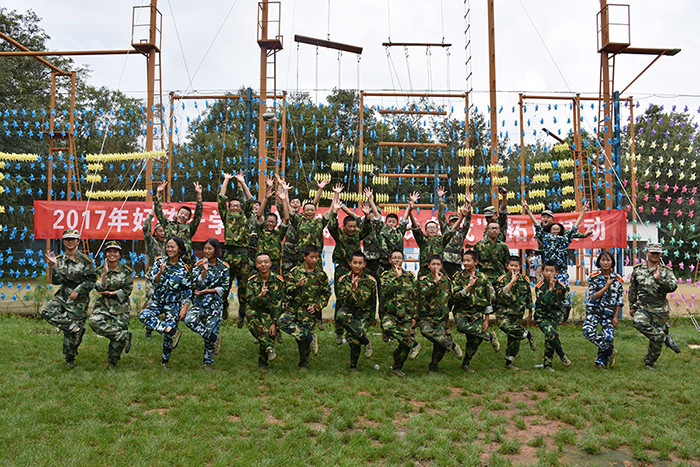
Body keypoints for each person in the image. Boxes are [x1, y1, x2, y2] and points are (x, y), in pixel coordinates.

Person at [524, 200, 590, 322]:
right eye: (553, 229)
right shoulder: (545, 237)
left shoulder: (565, 239)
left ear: (561, 231)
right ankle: (546, 316)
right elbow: (536, 225)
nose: (555, 231)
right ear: (549, 230)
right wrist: (528, 211)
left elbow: (575, 227)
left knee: (564, 296)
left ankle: (563, 315)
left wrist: (583, 212)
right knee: (546, 295)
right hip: (548, 271)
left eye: (557, 229)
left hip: (561, 272)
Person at [40, 229, 96, 368]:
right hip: (63, 295)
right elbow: (56, 281)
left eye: (73, 239)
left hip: (78, 300)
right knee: (45, 310)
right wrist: (54, 266)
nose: (70, 241)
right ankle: (73, 327)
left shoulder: (86, 261)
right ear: (63, 242)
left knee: (72, 338)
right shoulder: (59, 259)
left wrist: (78, 290)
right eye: (67, 239)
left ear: (78, 241)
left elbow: (91, 281)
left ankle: (70, 359)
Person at [139, 236, 192, 369]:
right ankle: (170, 330)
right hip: (158, 302)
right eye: (168, 247)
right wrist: (160, 272)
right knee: (143, 315)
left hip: (173, 304)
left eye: (172, 247)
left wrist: (185, 307)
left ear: (179, 249)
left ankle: (165, 362)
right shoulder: (159, 262)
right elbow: (153, 280)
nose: (169, 249)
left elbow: (187, 290)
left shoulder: (183, 268)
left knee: (169, 337)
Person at [329, 185, 372, 343]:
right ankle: (339, 331)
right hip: (342, 270)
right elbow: (331, 225)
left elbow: (367, 229)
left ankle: (354, 327)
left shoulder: (357, 235)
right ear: (344, 227)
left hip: (356, 270)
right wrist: (335, 210)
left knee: (355, 296)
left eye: (355, 226)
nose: (353, 229)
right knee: (341, 299)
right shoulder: (339, 235)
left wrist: (366, 216)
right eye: (350, 226)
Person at [277, 245, 331, 370]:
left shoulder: (321, 275)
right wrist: (298, 285)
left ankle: (303, 363)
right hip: (294, 309)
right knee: (282, 322)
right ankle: (310, 338)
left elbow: (326, 294)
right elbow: (287, 290)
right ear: (305, 257)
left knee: (303, 342)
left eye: (317, 257)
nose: (314, 260)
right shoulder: (296, 272)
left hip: (309, 311)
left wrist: (317, 306)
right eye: (312, 257)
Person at [629, 242, 681, 370]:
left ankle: (649, 362)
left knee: (656, 340)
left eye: (657, 253)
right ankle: (664, 338)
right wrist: (631, 305)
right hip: (643, 305)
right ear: (647, 253)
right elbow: (633, 290)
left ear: (660, 255)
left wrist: (659, 279)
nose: (654, 255)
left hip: (660, 308)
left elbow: (673, 286)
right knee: (638, 322)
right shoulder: (638, 270)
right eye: (652, 252)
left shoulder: (666, 271)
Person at [451, 250, 500, 373]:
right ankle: (489, 336)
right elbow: (455, 296)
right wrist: (468, 286)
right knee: (461, 326)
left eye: (468, 260)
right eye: (464, 261)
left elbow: (488, 299)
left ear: (476, 262)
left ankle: (466, 363)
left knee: (475, 340)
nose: (465, 263)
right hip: (462, 311)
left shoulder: (483, 278)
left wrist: (486, 320)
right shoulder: (458, 277)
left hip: (476, 312)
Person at [184, 238, 229, 369]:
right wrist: (204, 271)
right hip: (200, 304)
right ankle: (215, 338)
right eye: (205, 248)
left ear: (216, 250)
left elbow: (225, 288)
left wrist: (208, 291)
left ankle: (207, 362)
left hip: (215, 305)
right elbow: (196, 284)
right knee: (189, 321)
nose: (207, 251)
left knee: (210, 330)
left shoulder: (224, 267)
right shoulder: (199, 264)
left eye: (210, 249)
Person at [218, 172, 256, 327]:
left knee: (243, 288)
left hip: (243, 255)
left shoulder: (245, 216)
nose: (235, 207)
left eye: (237, 205)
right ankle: (224, 308)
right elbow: (221, 198)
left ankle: (242, 315)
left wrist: (242, 182)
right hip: (228, 254)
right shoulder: (226, 216)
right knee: (224, 285)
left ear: (241, 208)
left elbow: (250, 200)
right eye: (232, 205)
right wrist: (226, 180)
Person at [88, 241, 134, 369]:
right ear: (105, 254)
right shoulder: (99, 270)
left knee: (116, 340)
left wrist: (111, 293)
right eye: (109, 251)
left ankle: (112, 363)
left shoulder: (126, 270)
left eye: (115, 251)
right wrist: (104, 275)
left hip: (120, 305)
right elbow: (98, 288)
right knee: (93, 321)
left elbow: (127, 290)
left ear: (120, 254)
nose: (112, 254)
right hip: (104, 304)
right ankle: (123, 335)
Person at [415, 255, 464, 373]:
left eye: (438, 264)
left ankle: (434, 365)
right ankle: (452, 345)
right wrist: (435, 283)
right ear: (428, 266)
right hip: (427, 317)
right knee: (425, 331)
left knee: (440, 343)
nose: (435, 267)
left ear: (442, 266)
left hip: (441, 318)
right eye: (433, 264)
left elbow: (448, 300)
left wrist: (447, 323)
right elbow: (424, 296)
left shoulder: (446, 281)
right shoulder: (423, 280)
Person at [380, 249, 422, 377]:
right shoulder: (385, 276)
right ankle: (414, 344)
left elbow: (415, 297)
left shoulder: (410, 276)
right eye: (394, 258)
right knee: (387, 326)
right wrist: (397, 278)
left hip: (406, 316)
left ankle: (397, 367)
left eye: (399, 257)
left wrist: (415, 317)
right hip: (391, 314)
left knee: (404, 345)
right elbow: (385, 291)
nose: (397, 260)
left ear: (403, 259)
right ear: (390, 260)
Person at [335, 251, 377, 372]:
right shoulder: (343, 280)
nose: (357, 266)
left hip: (363, 313)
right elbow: (343, 302)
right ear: (350, 263)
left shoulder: (370, 281)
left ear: (364, 264)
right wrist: (353, 291)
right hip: (349, 310)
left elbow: (373, 301)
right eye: (355, 263)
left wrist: (372, 318)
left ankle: (353, 366)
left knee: (354, 340)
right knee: (340, 315)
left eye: (360, 263)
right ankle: (366, 341)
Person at [495, 255, 537, 371]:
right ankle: (527, 334)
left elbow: (528, 296)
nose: (513, 268)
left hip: (518, 313)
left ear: (520, 267)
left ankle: (509, 362)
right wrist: (511, 282)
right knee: (504, 326)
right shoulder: (502, 280)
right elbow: (500, 295)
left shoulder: (524, 280)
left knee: (514, 339)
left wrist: (530, 311)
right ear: (507, 266)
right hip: (504, 312)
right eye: (511, 265)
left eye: (516, 266)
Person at [583, 251, 623, 369]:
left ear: (612, 262)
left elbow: (619, 300)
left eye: (608, 260)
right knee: (587, 331)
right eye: (603, 260)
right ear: (599, 262)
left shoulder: (618, 279)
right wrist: (605, 287)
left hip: (609, 313)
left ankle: (601, 362)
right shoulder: (594, 277)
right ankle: (610, 351)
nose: (605, 263)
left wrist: (616, 316)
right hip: (594, 311)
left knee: (608, 337)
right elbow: (593, 297)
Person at [245, 253, 285, 372]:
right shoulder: (252, 281)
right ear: (256, 265)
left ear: (270, 264)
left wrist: (274, 323)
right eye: (260, 262)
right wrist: (260, 295)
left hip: (270, 311)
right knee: (251, 317)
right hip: (255, 309)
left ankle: (263, 362)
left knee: (268, 332)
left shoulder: (278, 281)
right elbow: (250, 302)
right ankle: (269, 348)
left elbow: (278, 305)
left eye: (266, 262)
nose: (263, 264)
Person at [153, 180, 203, 266]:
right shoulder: (167, 225)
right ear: (177, 214)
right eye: (181, 213)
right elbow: (158, 212)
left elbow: (198, 216)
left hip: (184, 263)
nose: (183, 216)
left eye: (186, 215)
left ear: (188, 219)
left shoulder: (189, 228)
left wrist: (199, 196)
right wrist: (159, 193)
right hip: (169, 262)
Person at [534, 261, 572, 372]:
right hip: (541, 316)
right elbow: (543, 301)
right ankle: (562, 355)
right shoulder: (539, 286)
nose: (549, 273)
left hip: (553, 316)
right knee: (551, 334)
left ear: (556, 272)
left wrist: (563, 314)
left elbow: (565, 301)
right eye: (547, 271)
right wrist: (550, 289)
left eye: (552, 271)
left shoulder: (561, 286)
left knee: (550, 338)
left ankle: (548, 365)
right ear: (543, 271)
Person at [410, 194, 457, 277]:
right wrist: (410, 211)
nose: (432, 229)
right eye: (429, 227)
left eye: (434, 227)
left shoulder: (441, 240)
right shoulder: (422, 240)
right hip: (425, 272)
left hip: (439, 271)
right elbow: (416, 228)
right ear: (425, 230)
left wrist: (462, 217)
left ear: (437, 230)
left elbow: (451, 231)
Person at [256, 176, 290, 272]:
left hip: (275, 265)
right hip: (261, 264)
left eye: (273, 222)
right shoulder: (261, 231)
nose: (270, 224)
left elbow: (286, 218)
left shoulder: (279, 233)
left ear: (276, 223)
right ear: (265, 222)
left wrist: (283, 200)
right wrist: (266, 198)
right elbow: (259, 215)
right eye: (268, 221)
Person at [438, 187, 472, 278]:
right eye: (452, 221)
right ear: (449, 223)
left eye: (456, 220)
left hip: (457, 261)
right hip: (445, 260)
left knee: (457, 281)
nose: (455, 222)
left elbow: (467, 222)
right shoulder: (446, 230)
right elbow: (441, 217)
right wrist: (441, 200)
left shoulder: (461, 232)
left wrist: (469, 204)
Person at [142, 211, 166, 339]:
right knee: (151, 301)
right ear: (155, 232)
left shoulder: (170, 244)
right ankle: (148, 330)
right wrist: (151, 215)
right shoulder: (151, 243)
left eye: (164, 231)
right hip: (152, 277)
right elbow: (145, 229)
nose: (162, 233)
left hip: (166, 278)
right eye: (160, 231)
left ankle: (168, 330)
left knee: (167, 303)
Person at [474, 221, 511, 286]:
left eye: (496, 228)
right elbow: (475, 263)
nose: (494, 230)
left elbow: (507, 263)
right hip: (484, 279)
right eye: (492, 228)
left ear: (499, 230)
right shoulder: (479, 245)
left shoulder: (503, 246)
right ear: (487, 230)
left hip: (500, 279)